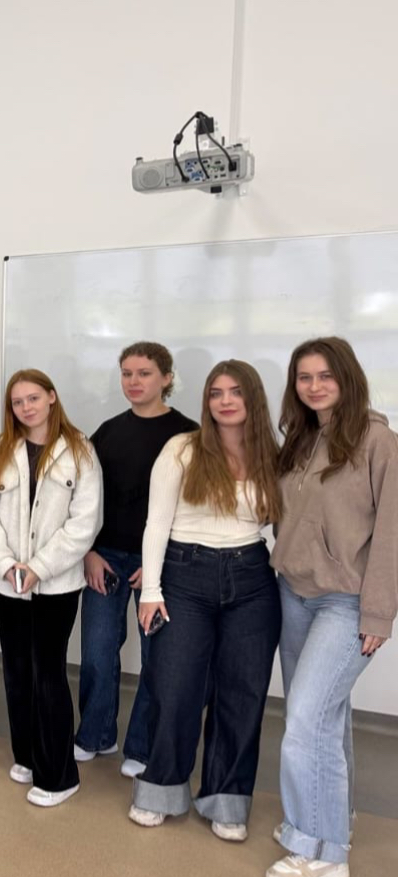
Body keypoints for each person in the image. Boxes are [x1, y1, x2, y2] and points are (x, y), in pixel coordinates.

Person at [130, 360, 282, 841]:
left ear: (253, 398)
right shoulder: (182, 449)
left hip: (252, 579)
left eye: (236, 392)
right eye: (216, 393)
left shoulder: (272, 455)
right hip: (184, 576)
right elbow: (156, 523)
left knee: (242, 695)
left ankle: (227, 800)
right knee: (175, 689)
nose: (225, 401)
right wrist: (151, 591)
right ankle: (161, 788)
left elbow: (285, 524)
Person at [264, 338, 397, 877]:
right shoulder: (298, 440)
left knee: (304, 721)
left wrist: (378, 614)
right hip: (293, 594)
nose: (314, 386)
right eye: (304, 377)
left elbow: (391, 532)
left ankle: (320, 850)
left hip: (346, 601)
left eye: (325, 376)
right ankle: (331, 819)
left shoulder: (378, 440)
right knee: (324, 716)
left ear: (347, 378)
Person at [0, 369, 101, 806]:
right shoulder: (1, 448)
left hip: (56, 584)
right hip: (7, 581)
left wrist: (39, 567)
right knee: (16, 669)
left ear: (51, 397)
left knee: (47, 672)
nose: (26, 407)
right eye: (17, 402)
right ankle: (27, 756)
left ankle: (58, 776)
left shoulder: (80, 450)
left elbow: (84, 524)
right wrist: (7, 564)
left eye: (33, 398)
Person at [75, 343, 197, 779]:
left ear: (166, 377)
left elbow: (193, 507)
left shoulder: (189, 435)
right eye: (126, 373)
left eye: (144, 373)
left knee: (155, 660)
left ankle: (142, 745)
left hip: (159, 565)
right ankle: (95, 734)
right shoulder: (107, 431)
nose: (133, 381)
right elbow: (84, 499)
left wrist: (161, 565)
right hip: (105, 559)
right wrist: (88, 552)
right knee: (97, 652)